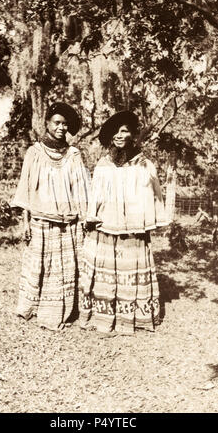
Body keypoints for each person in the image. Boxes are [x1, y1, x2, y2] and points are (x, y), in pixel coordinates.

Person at [80, 110, 168, 334]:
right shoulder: (103, 165)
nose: (120, 135)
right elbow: (95, 195)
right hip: (107, 226)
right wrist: (91, 217)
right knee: (108, 271)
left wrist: (153, 220)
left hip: (134, 230)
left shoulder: (144, 165)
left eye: (125, 130)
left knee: (131, 270)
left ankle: (134, 316)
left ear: (132, 135)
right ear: (110, 137)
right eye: (116, 132)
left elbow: (155, 195)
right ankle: (106, 314)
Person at [12, 102, 89, 331]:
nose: (61, 127)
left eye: (65, 124)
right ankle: (35, 307)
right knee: (42, 266)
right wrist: (25, 222)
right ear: (46, 124)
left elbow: (81, 189)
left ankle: (67, 309)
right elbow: (25, 188)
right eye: (57, 122)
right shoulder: (34, 153)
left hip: (68, 223)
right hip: (42, 221)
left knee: (67, 268)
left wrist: (84, 219)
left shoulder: (74, 155)